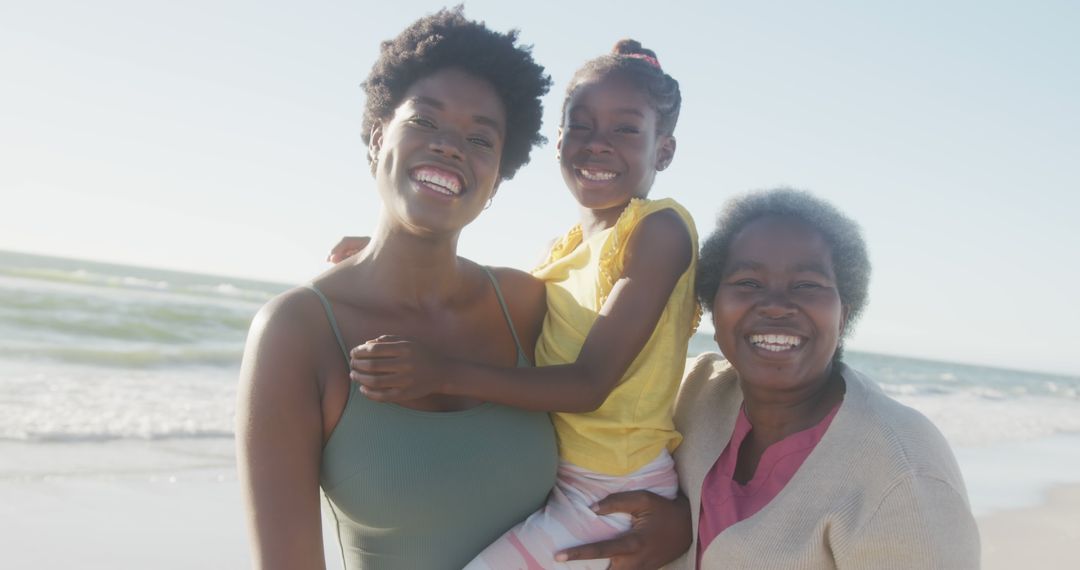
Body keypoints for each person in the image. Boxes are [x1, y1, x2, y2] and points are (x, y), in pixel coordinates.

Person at [237, 8, 688, 570]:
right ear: (378, 137)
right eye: (425, 122)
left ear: (499, 172)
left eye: (480, 137)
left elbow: (640, 382)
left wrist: (677, 522)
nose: (451, 146)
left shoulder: (525, 305)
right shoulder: (296, 332)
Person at [347, 40, 698, 569]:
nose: (598, 144)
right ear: (558, 141)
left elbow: (588, 384)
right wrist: (387, 255)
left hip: (614, 492)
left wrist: (440, 373)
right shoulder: (565, 249)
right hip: (568, 481)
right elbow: (496, 295)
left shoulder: (658, 231)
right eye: (581, 125)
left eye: (626, 130)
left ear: (663, 151)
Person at [664, 188, 980, 569]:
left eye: (807, 285)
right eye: (748, 282)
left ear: (843, 316)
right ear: (714, 308)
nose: (776, 305)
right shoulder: (690, 393)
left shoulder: (904, 472)